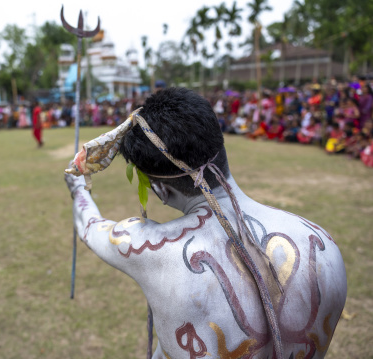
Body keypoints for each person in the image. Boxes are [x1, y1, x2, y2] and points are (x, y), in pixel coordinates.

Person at [65, 88, 346, 359]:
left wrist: (78, 186)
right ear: (219, 148)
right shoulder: (324, 246)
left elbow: (90, 225)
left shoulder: (150, 248)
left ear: (160, 190)